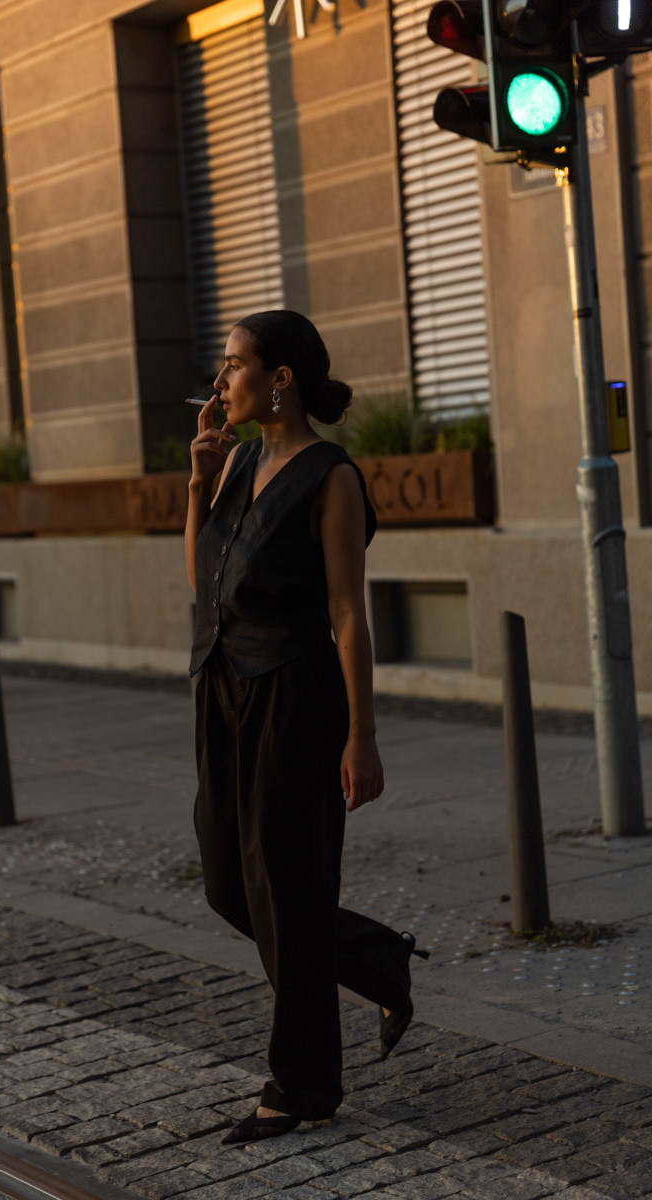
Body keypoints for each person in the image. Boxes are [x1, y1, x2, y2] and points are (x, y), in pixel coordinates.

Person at [185, 310, 427, 1146]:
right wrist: (199, 481)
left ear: (280, 378)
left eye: (235, 365)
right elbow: (204, 578)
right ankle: (378, 961)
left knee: (286, 893)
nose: (222, 382)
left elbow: (348, 615)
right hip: (222, 693)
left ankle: (302, 1085)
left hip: (295, 698)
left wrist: (362, 736)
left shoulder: (332, 477)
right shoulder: (241, 458)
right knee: (230, 886)